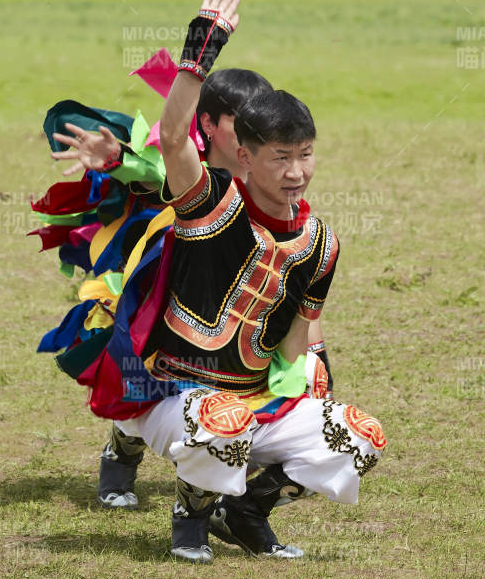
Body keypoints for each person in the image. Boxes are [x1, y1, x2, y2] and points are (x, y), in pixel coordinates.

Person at [111, 0, 383, 563]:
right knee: (222, 420)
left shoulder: (321, 244)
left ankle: (248, 509)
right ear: (246, 156)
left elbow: (299, 334)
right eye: (280, 158)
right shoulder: (210, 204)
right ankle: (191, 514)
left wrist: (315, 370)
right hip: (173, 396)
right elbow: (178, 136)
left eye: (305, 154)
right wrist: (199, 53)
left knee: (359, 436)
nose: (295, 172)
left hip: (254, 403)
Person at [32, 61, 334, 515]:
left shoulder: (272, 182)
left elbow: (298, 285)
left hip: (233, 316)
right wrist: (117, 160)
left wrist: (318, 358)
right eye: (240, 118)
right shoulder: (185, 167)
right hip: (164, 292)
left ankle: (223, 485)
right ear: (209, 125)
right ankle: (123, 447)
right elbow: (152, 169)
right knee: (144, 382)